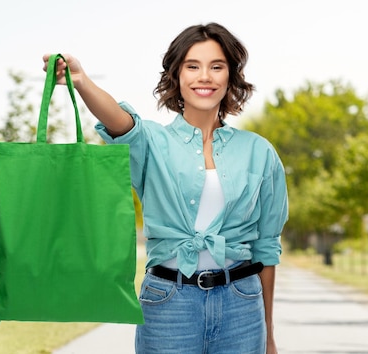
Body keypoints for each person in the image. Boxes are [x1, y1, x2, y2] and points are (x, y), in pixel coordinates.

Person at [44, 22, 288, 354]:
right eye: (193, 66)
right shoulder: (153, 142)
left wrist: (269, 334)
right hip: (168, 304)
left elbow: (266, 248)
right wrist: (83, 81)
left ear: (231, 76)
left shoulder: (259, 152)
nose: (205, 76)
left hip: (241, 306)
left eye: (217, 67)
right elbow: (119, 122)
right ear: (176, 75)